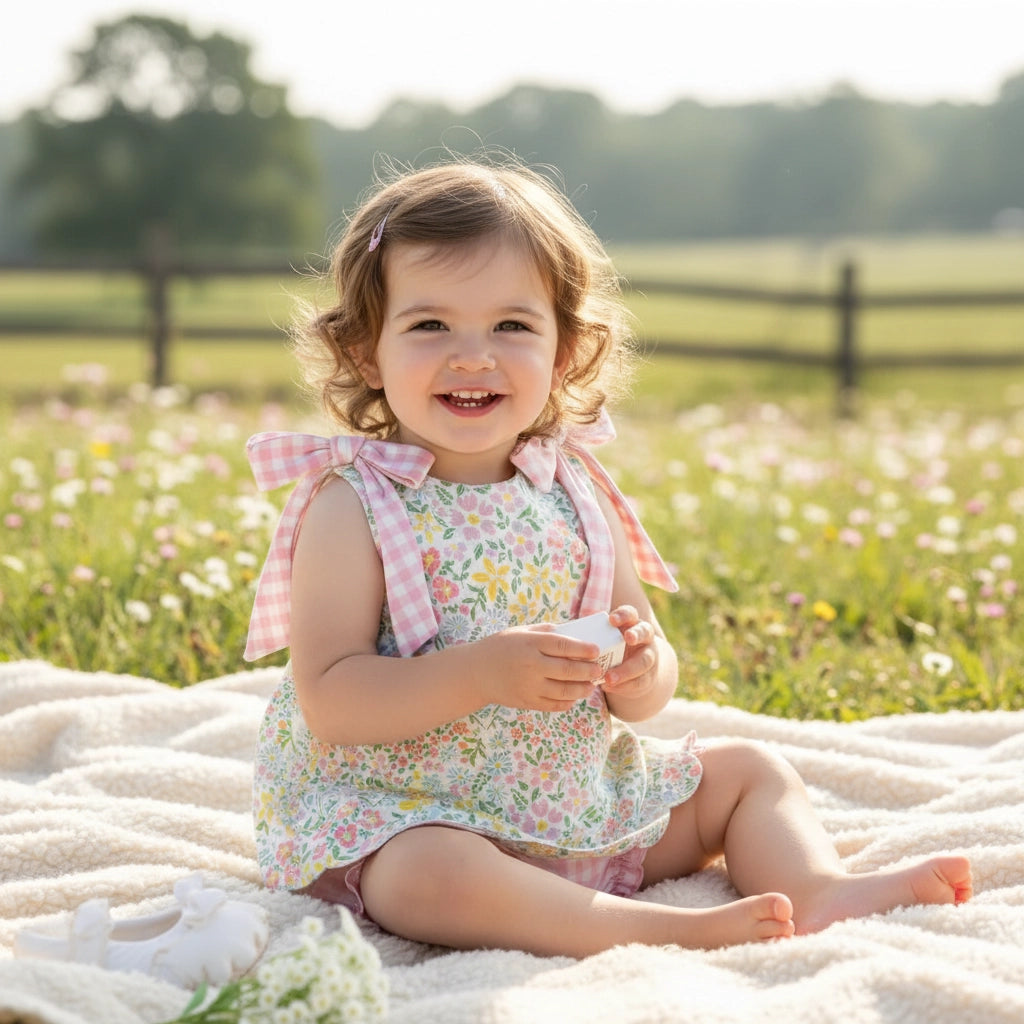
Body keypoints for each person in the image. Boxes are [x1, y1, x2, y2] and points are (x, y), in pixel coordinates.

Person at [243, 158, 972, 957]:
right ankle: (654, 929)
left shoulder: (574, 488)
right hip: (413, 807)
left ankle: (815, 887)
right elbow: (332, 699)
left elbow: (648, 668)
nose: (473, 355)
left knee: (748, 771)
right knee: (425, 876)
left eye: (512, 326)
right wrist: (480, 673)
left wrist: (639, 668)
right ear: (365, 353)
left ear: (566, 353)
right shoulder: (355, 505)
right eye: (429, 326)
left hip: (576, 800)